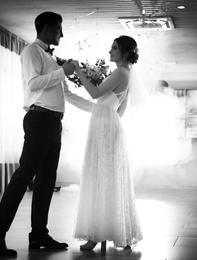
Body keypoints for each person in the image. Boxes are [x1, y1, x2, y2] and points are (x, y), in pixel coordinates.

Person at [0, 11, 75, 256]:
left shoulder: (49, 57)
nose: (61, 34)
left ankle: (39, 234)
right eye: (57, 30)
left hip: (53, 123)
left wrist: (100, 109)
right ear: (45, 28)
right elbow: (33, 84)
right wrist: (63, 71)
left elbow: (66, 93)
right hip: (39, 119)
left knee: (46, 180)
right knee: (24, 176)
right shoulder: (31, 51)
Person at [65, 35, 144, 250]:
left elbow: (95, 93)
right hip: (111, 124)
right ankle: (117, 232)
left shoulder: (120, 72)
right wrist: (105, 114)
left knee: (99, 176)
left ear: (125, 53)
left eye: (114, 48)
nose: (110, 51)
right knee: (110, 177)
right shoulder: (126, 74)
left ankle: (97, 234)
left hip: (103, 126)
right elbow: (121, 110)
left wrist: (78, 70)